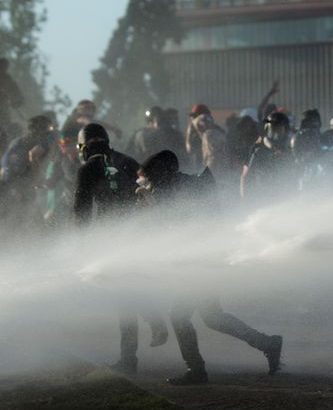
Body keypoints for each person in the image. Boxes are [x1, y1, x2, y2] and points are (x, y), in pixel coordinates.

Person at [137, 150, 283, 384]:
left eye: (152, 178)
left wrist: (150, 204)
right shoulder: (181, 186)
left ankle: (196, 370)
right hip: (207, 261)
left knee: (179, 315)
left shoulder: (179, 190)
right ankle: (268, 343)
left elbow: (173, 224)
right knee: (212, 316)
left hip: (203, 264)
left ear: (164, 173)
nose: (150, 184)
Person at [73, 123, 167, 373]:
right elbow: (149, 187)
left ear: (83, 147)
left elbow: (81, 212)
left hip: (112, 239)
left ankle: (130, 357)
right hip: (139, 232)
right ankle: (149, 324)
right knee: (131, 287)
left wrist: (81, 245)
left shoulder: (87, 170)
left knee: (123, 296)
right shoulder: (127, 161)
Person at [0, 58, 23, 147]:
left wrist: (17, 101)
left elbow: (16, 93)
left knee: (5, 127)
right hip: (3, 108)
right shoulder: (7, 78)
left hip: (3, 107)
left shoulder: (8, 78)